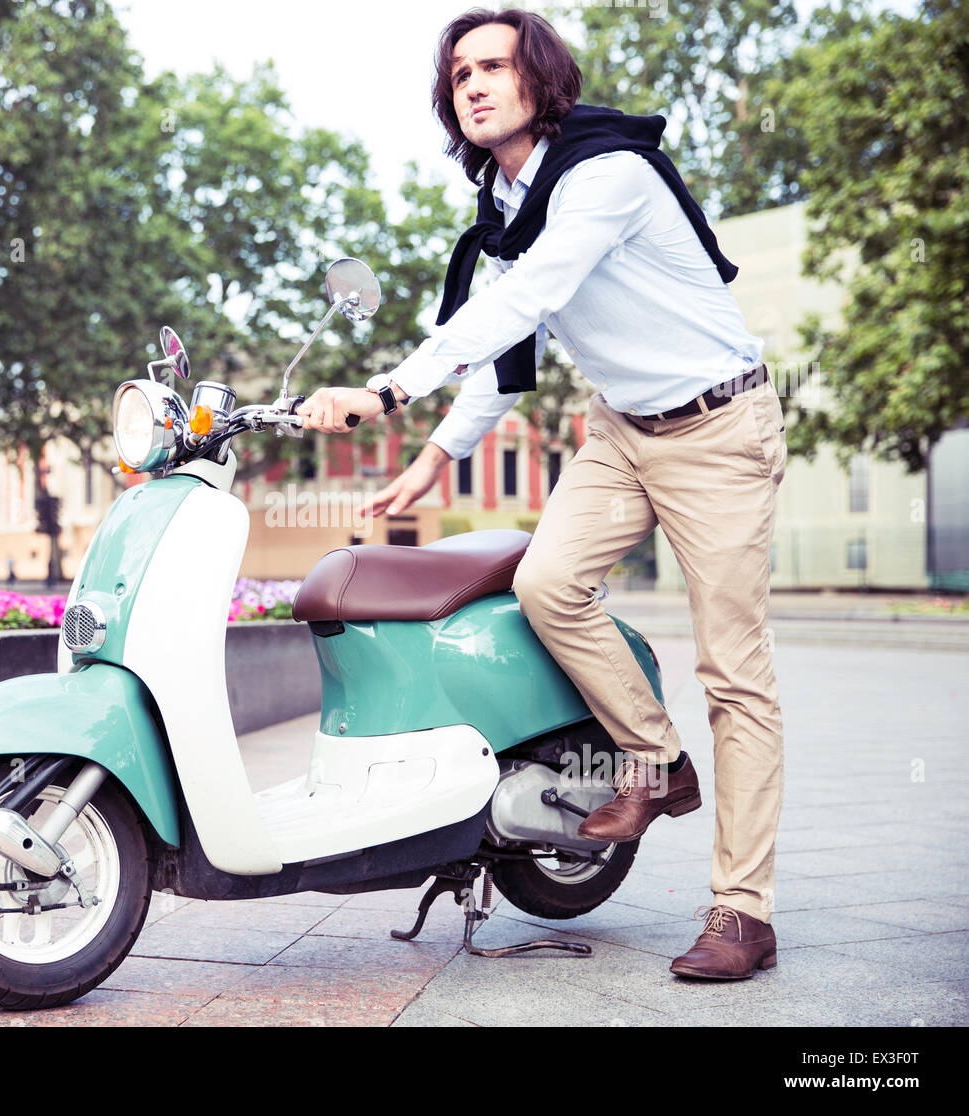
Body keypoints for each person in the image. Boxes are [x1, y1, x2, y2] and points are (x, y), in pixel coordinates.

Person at [298, 7, 786, 981]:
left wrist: (392, 386)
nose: (471, 85)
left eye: (492, 67)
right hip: (621, 431)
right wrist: (439, 451)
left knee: (734, 674)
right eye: (458, 75)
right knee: (547, 584)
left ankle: (743, 910)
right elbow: (509, 353)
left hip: (718, 427)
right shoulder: (511, 200)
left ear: (540, 80)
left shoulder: (602, 175)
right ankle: (654, 762)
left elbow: (522, 297)